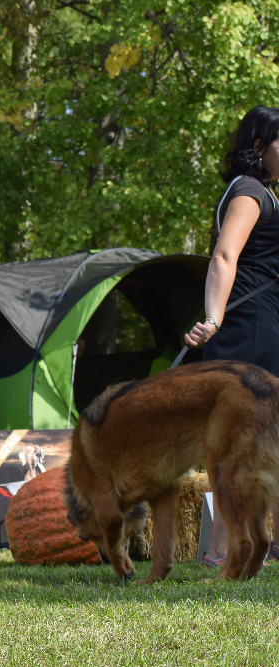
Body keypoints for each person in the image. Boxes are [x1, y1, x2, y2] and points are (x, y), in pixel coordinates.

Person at [184, 105, 279, 567]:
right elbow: (224, 256)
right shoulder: (249, 191)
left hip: (261, 326)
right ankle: (222, 550)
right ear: (260, 146)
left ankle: (262, 544)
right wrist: (215, 319)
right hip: (249, 330)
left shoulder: (263, 192)